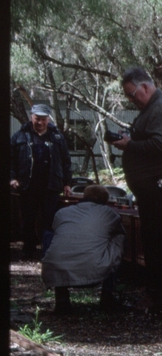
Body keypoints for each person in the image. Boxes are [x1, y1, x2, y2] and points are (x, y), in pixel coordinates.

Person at [110, 67, 162, 307]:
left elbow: (161, 144)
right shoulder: (151, 108)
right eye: (128, 97)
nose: (131, 100)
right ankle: (158, 291)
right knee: (152, 234)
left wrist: (129, 145)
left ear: (145, 86)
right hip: (153, 182)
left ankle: (160, 294)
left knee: (156, 236)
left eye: (133, 94)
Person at [42, 185, 125, 314]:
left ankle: (62, 298)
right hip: (94, 268)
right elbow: (119, 231)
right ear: (105, 200)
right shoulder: (109, 213)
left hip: (59, 268)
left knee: (53, 236)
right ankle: (108, 295)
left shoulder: (62, 212)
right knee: (119, 236)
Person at [10, 103, 73, 259]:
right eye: (37, 119)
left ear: (48, 119)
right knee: (27, 219)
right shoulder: (19, 136)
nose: (40, 122)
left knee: (49, 220)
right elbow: (10, 161)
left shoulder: (58, 137)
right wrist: (12, 178)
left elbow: (66, 161)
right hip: (27, 185)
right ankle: (29, 250)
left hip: (51, 186)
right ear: (31, 117)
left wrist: (67, 183)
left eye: (44, 119)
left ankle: (47, 252)